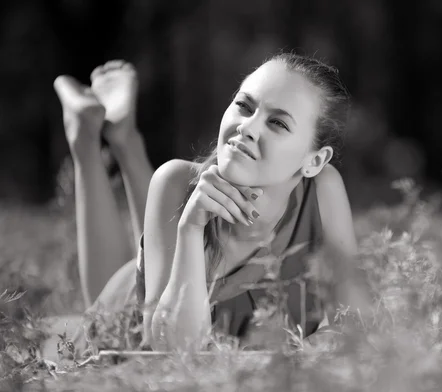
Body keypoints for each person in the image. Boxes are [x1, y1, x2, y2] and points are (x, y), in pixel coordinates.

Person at [48, 53, 361, 355]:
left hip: (156, 280)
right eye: (243, 105)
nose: (247, 128)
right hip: (130, 329)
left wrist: (320, 347)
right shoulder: (175, 182)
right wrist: (190, 229)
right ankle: (85, 138)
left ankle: (122, 137)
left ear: (315, 160)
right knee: (106, 303)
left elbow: (357, 321)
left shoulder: (322, 189)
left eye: (278, 123)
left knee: (144, 257)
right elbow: (173, 350)